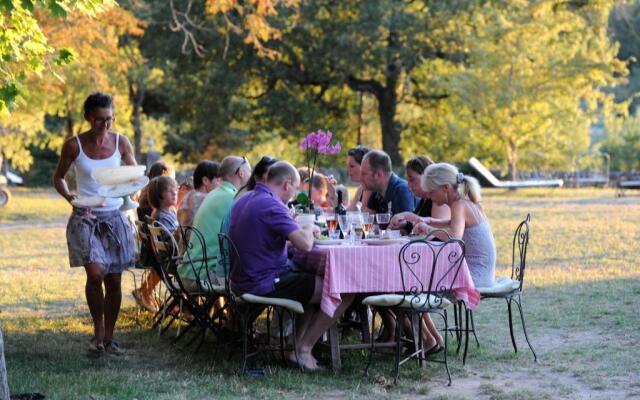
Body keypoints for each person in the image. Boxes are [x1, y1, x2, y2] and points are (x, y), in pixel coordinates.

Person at [230, 161, 355, 371]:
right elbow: (305, 244)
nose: (295, 195)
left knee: (310, 278)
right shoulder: (272, 204)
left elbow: (262, 238)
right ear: (287, 184)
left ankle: (294, 347)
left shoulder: (247, 198)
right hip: (262, 281)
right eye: (296, 189)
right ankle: (303, 349)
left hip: (242, 277)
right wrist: (307, 226)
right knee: (343, 289)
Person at [53, 92, 136, 355]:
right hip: (86, 217)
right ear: (89, 118)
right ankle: (97, 331)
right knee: (95, 273)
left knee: (114, 280)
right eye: (100, 120)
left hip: (114, 217)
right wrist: (71, 198)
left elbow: (134, 175)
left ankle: (109, 338)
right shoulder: (74, 145)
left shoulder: (122, 142)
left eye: (110, 119)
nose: (106, 124)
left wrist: (132, 190)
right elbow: (59, 178)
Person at [413, 162, 497, 288]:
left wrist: (427, 229)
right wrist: (430, 221)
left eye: (431, 191)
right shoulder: (466, 199)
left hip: (476, 276)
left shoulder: (459, 204)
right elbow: (454, 224)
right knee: (430, 275)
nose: (429, 197)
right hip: (484, 273)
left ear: (446, 188)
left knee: (425, 278)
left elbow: (454, 235)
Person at [178, 156, 252, 290]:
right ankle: (234, 311)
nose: (251, 175)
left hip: (191, 268)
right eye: (249, 170)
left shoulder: (214, 193)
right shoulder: (233, 198)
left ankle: (226, 311)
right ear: (241, 172)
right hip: (203, 274)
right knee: (257, 280)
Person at [132, 176, 180, 312]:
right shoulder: (160, 217)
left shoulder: (167, 212)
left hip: (166, 262)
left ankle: (183, 305)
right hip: (173, 262)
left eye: (175, 189)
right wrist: (182, 226)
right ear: (158, 196)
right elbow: (172, 243)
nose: (174, 192)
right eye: (169, 191)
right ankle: (187, 307)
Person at [390, 156, 451, 235]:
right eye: (408, 180)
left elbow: (440, 231)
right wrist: (405, 224)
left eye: (412, 179)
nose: (409, 185)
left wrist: (408, 215)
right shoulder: (424, 200)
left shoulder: (438, 199)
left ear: (426, 176)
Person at [359, 150, 417, 215]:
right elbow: (366, 219)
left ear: (379, 174)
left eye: (364, 174)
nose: (360, 178)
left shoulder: (401, 191)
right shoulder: (376, 191)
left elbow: (406, 224)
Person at [178, 160, 221, 226]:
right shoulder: (204, 199)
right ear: (205, 180)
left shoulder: (188, 196)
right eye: (218, 180)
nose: (220, 185)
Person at [346, 146, 373, 211]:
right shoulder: (361, 189)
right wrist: (332, 193)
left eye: (352, 166)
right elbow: (347, 213)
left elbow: (365, 217)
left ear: (364, 166)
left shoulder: (374, 190)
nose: (347, 170)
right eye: (347, 166)